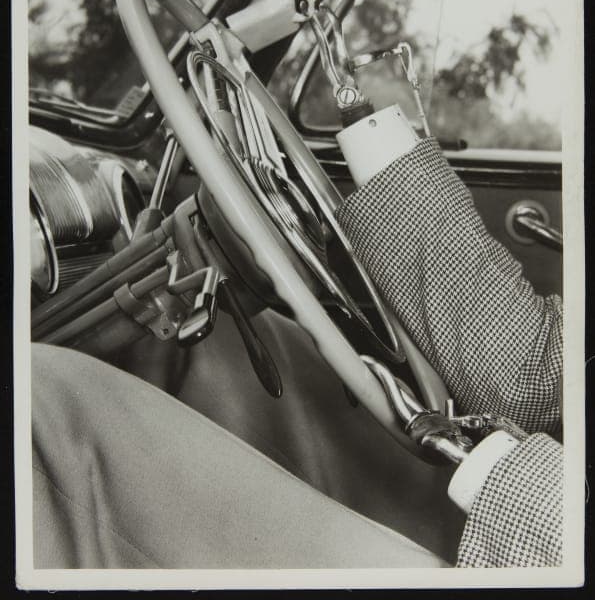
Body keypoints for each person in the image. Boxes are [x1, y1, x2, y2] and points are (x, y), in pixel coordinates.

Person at [30, 120, 563, 569]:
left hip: (528, 539)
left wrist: (383, 140)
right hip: (536, 501)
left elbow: (524, 383)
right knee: (209, 348)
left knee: (38, 404)